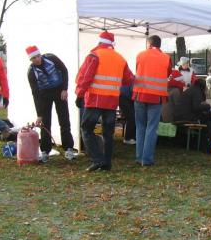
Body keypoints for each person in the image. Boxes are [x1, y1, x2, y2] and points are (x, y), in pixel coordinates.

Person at [75, 31, 134, 172]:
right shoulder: (120, 58)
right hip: (112, 101)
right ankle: (107, 163)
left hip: (95, 100)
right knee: (108, 133)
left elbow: (85, 77)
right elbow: (129, 79)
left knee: (86, 129)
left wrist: (79, 95)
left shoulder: (94, 56)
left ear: (99, 42)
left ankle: (97, 160)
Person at [25, 45, 76, 162]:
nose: (37, 59)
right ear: (30, 60)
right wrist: (39, 114)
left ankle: (68, 148)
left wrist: (65, 89)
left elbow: (64, 70)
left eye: (38, 56)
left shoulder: (51, 58)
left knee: (64, 120)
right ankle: (45, 151)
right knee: (45, 123)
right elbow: (35, 93)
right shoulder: (31, 72)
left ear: (40, 54)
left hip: (59, 91)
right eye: (33, 58)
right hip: (44, 95)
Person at [133, 35, 171, 166]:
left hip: (139, 95)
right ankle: (147, 159)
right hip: (156, 97)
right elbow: (167, 73)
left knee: (140, 127)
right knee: (152, 128)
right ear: (160, 45)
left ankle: (139, 157)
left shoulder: (140, 55)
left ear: (149, 44)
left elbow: (137, 69)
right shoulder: (166, 58)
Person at [174, 78, 211, 149]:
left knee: (205, 117)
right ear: (203, 86)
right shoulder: (197, 92)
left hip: (179, 115)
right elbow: (196, 107)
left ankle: (201, 143)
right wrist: (208, 106)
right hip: (186, 117)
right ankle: (204, 145)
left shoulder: (191, 90)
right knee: (208, 120)